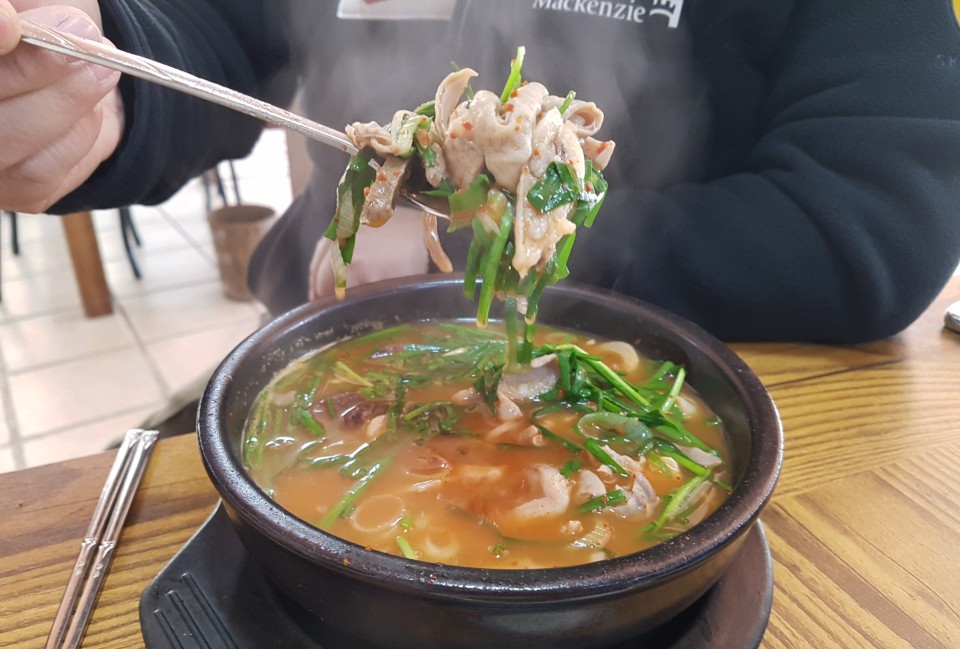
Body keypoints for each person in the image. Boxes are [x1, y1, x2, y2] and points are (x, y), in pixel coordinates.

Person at [2, 0, 960, 344]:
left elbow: (874, 223)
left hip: (720, 380)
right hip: (330, 336)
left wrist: (459, 236)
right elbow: (205, 25)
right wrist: (89, 83)